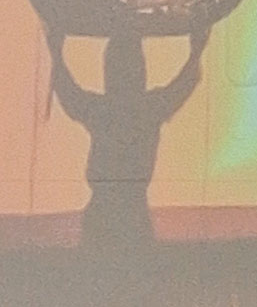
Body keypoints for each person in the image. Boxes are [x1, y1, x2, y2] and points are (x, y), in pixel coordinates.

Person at [47, 25, 208, 245]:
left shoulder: (102, 110)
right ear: (141, 70)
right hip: (133, 210)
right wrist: (196, 50)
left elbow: (66, 90)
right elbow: (188, 80)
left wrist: (56, 51)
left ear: (107, 70)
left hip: (103, 210)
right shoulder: (150, 108)